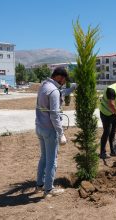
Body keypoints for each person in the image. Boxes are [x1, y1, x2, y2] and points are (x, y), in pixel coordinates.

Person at [35, 67, 77, 198]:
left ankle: (40, 185)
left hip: (40, 127)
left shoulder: (44, 86)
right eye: (64, 80)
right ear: (60, 77)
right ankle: (49, 189)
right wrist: (61, 133)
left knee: (44, 158)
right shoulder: (53, 91)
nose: (64, 83)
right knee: (52, 160)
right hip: (50, 130)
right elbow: (54, 114)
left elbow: (61, 92)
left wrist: (72, 89)